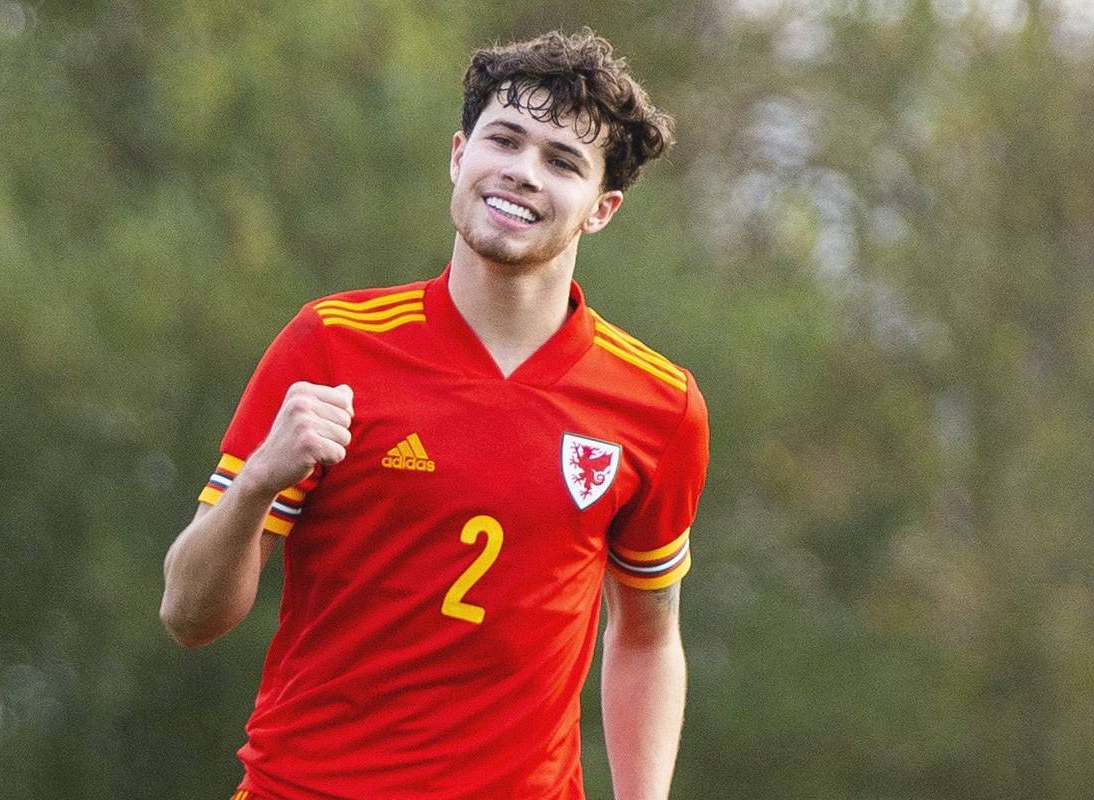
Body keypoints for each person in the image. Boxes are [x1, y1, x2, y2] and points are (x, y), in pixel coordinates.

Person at [160, 27, 709, 800]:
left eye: (561, 161)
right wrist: (255, 484)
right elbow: (188, 616)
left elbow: (648, 639)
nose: (522, 173)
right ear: (459, 156)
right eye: (505, 141)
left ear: (602, 208)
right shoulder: (332, 345)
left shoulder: (659, 405)